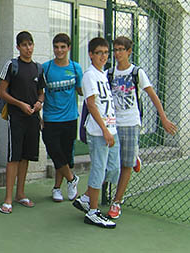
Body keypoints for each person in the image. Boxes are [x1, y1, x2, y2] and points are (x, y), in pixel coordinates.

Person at [106, 36, 178, 219]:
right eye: (115, 50)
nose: (118, 53)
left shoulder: (137, 72)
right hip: (113, 124)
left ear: (129, 51)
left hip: (131, 123)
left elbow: (153, 96)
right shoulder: (109, 73)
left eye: (121, 49)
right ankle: (133, 156)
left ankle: (116, 202)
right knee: (111, 163)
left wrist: (163, 118)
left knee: (126, 165)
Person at [0, 31, 46, 214]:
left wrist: (39, 103)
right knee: (14, 157)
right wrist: (20, 104)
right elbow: (1, 92)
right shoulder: (11, 65)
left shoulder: (38, 68)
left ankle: (20, 194)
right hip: (16, 118)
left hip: (33, 118)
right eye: (24, 45)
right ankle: (8, 199)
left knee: (26, 157)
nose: (28, 48)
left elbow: (41, 92)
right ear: (18, 47)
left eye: (30, 44)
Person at [72, 37, 119, 228]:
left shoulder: (103, 75)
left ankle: (86, 198)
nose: (103, 56)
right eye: (99, 53)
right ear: (91, 54)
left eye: (106, 53)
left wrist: (111, 129)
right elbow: (91, 104)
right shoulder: (89, 75)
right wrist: (104, 130)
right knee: (99, 169)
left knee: (113, 167)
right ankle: (92, 211)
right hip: (99, 131)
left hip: (111, 129)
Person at [41, 33, 82, 202]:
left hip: (70, 118)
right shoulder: (46, 68)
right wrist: (39, 116)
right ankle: (72, 179)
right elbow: (38, 93)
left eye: (63, 47)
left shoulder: (75, 68)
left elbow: (81, 91)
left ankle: (57, 188)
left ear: (69, 48)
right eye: (56, 47)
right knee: (54, 151)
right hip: (50, 118)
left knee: (64, 156)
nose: (59, 50)